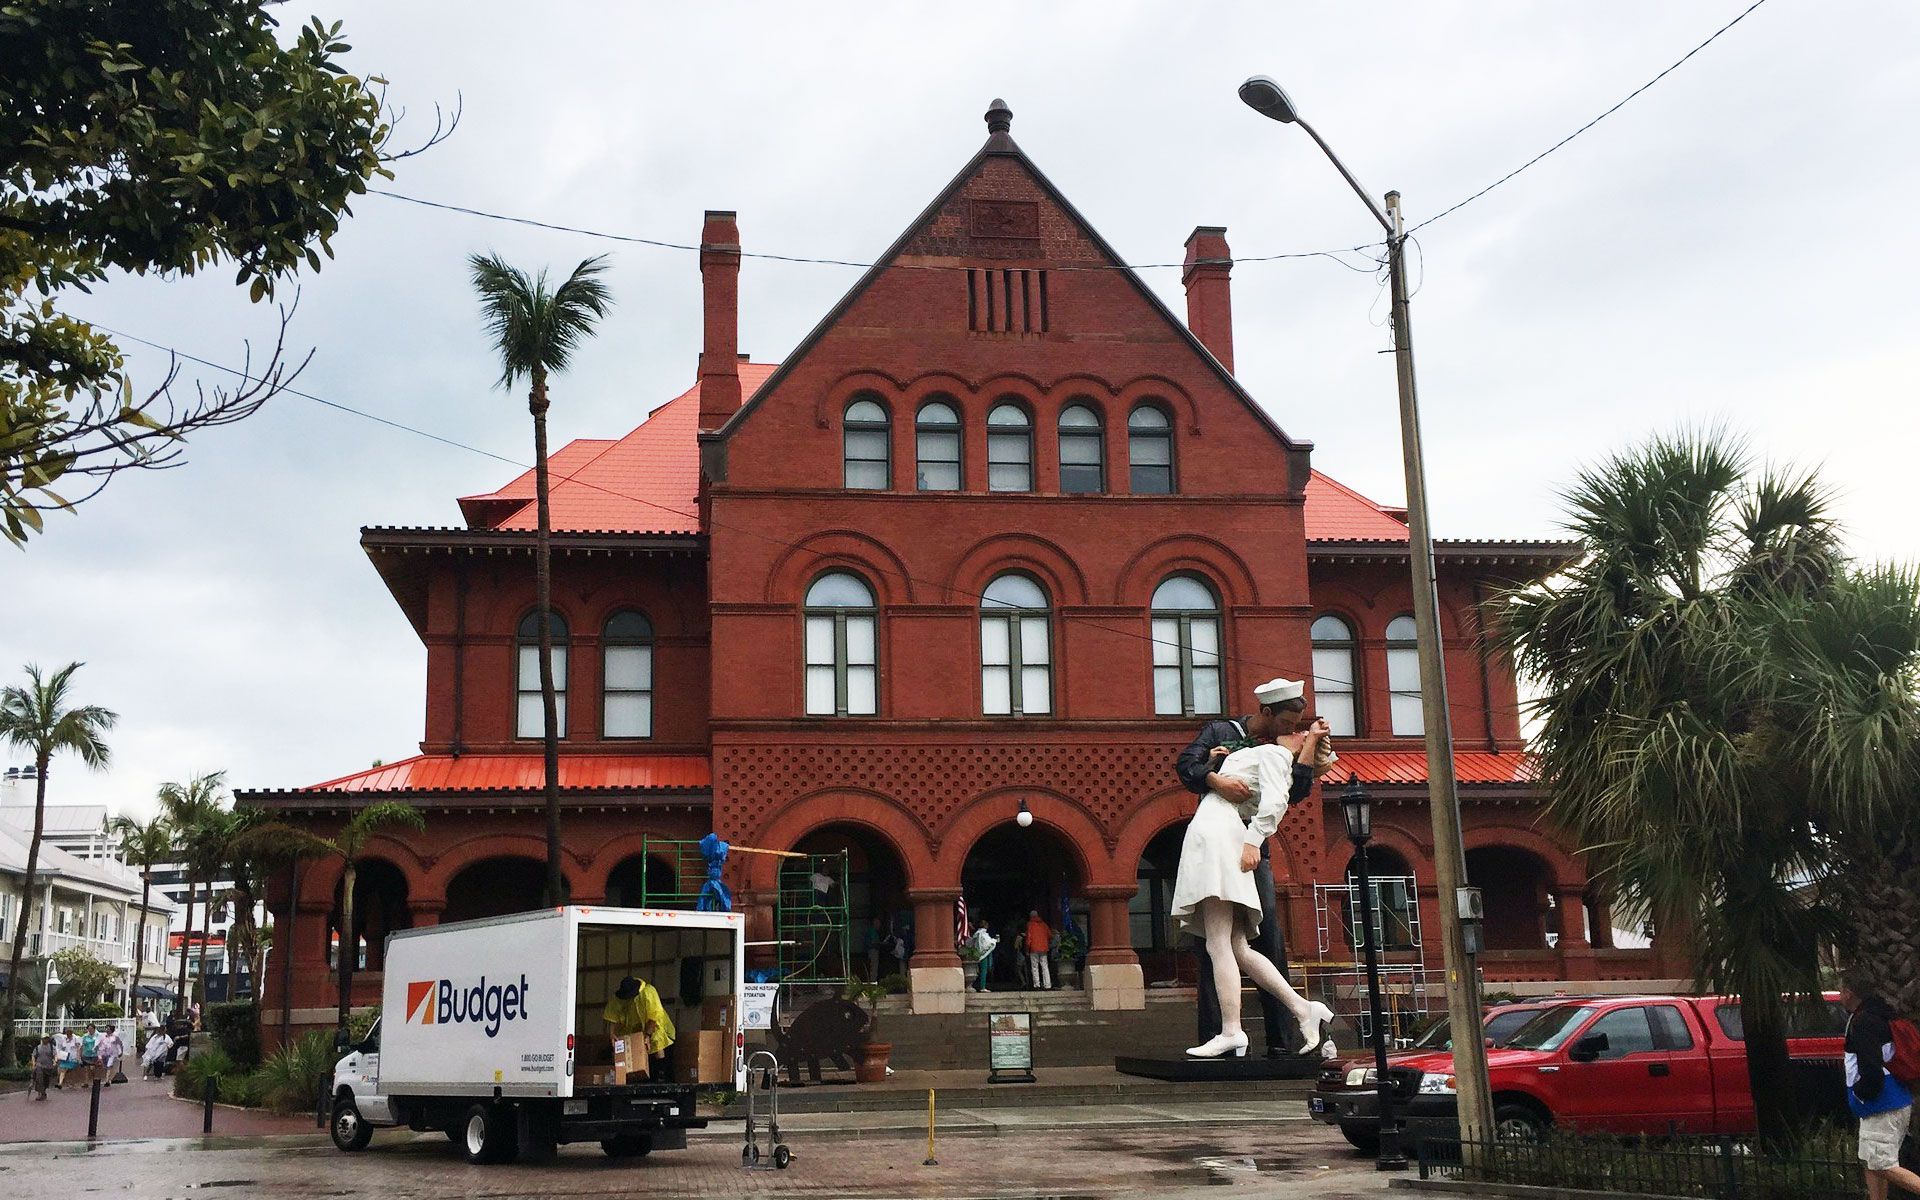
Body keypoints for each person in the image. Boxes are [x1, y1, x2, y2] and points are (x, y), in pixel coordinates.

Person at [1170, 677, 1336, 1059]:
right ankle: (1278, 1017)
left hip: (1240, 840)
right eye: (1287, 723)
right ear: (1266, 712)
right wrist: (1216, 778)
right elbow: (1186, 766)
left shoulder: (1279, 751)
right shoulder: (1224, 731)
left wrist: (1309, 746)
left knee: (1256, 937)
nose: (1292, 729)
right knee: (1227, 945)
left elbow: (1292, 794)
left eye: (1297, 725)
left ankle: (1263, 1034)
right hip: (1230, 835)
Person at [1841, 977, 1920, 1200]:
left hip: (1881, 1105)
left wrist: (1860, 1093)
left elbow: (1871, 1070)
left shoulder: (1864, 1022)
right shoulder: (1881, 1015)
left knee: (1882, 1164)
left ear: (1848, 993)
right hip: (1888, 1102)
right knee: (1871, 1161)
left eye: (1840, 990)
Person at [602, 974, 674, 1080]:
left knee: (657, 1042)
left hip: (654, 1023)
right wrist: (612, 1033)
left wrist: (647, 1035)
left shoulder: (648, 992)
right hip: (634, 1026)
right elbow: (612, 1015)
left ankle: (661, 1075)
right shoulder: (620, 997)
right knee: (629, 1044)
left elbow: (654, 1017)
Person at [1024, 910, 1053, 991]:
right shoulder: (1044, 924)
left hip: (1034, 948)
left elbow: (1028, 938)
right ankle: (1048, 985)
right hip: (1044, 948)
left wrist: (1027, 949)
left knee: (1034, 967)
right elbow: (1050, 935)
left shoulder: (1030, 925)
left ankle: (1037, 985)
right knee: (1045, 966)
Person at [969, 924, 1000, 992]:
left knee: (984, 970)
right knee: (984, 971)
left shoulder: (978, 933)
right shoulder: (982, 934)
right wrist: (994, 941)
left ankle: (982, 986)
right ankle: (982, 987)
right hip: (984, 954)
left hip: (980, 953)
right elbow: (987, 944)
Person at [29, 1034, 56, 1101]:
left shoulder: (52, 1047)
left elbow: (55, 1055)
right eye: (44, 1038)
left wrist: (55, 1061)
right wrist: (34, 1063)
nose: (45, 1040)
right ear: (42, 1039)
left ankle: (43, 1092)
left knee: (46, 1081)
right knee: (39, 1079)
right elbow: (33, 1056)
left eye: (47, 1038)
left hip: (48, 1067)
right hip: (39, 1066)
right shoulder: (38, 1047)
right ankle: (40, 1094)